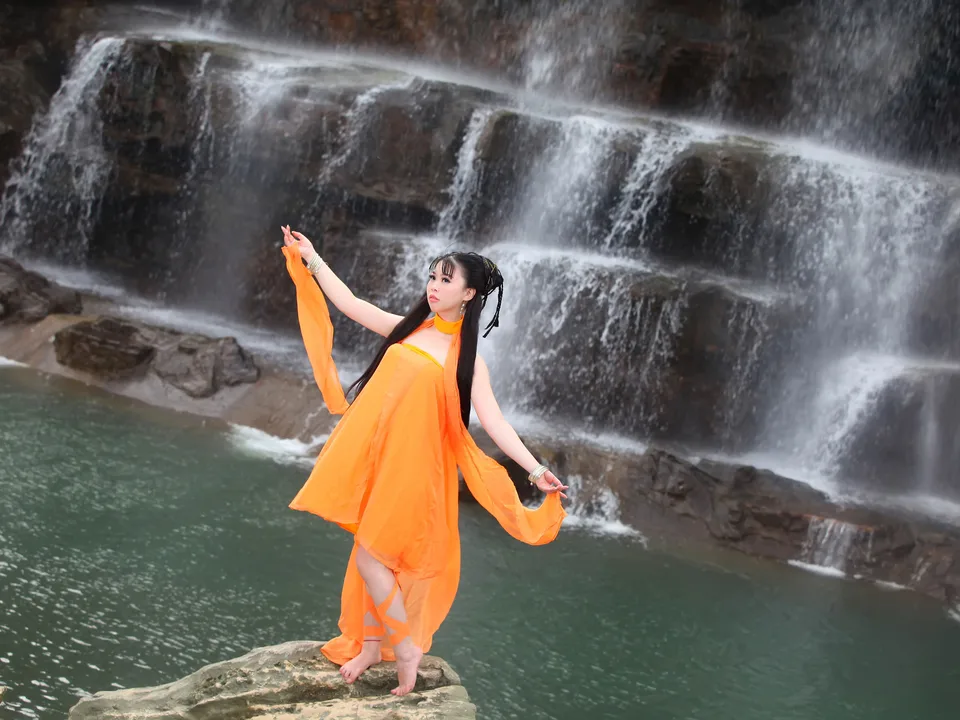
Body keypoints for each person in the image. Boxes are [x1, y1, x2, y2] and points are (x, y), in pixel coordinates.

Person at [280, 225, 568, 696]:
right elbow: (350, 304)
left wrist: (535, 471)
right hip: (383, 462)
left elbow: (495, 423)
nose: (434, 286)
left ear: (469, 294)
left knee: (373, 558)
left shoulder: (467, 362)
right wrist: (312, 259)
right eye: (433, 277)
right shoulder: (411, 328)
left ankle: (405, 647)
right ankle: (371, 647)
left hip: (418, 473)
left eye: (446, 280)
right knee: (371, 556)